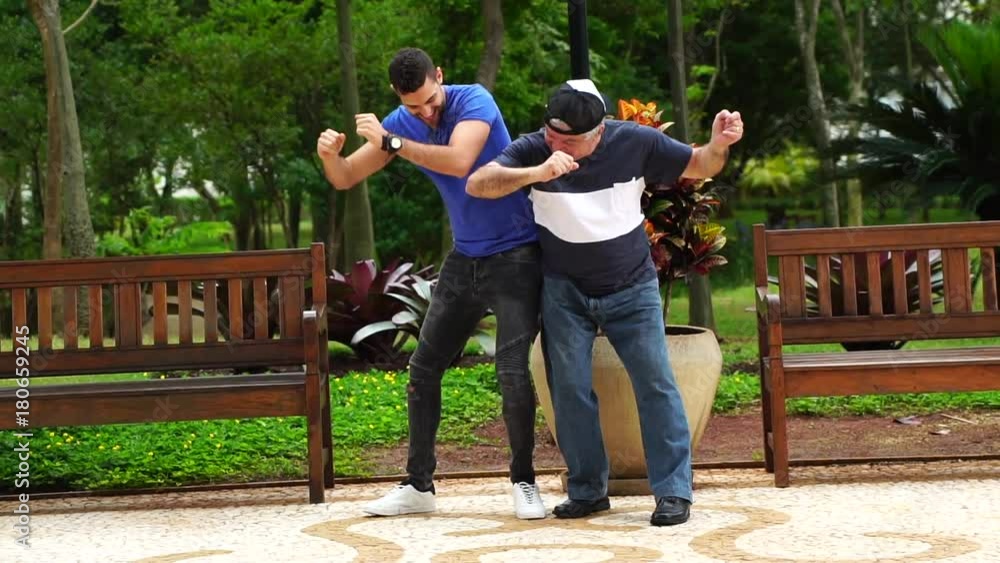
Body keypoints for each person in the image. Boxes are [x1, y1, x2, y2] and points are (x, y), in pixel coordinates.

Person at [465, 79, 743, 526]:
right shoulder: (534, 149)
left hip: (631, 287)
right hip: (564, 289)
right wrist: (538, 172)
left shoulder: (634, 141)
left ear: (600, 132)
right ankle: (588, 489)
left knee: (655, 383)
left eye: (570, 141)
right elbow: (479, 184)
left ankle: (673, 492)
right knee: (570, 389)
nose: (559, 146)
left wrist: (719, 142)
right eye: (552, 135)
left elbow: (699, 164)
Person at [316, 47, 546, 520]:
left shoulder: (474, 101)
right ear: (398, 96)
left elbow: (461, 162)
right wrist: (329, 156)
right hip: (466, 257)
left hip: (517, 254)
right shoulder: (400, 121)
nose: (424, 112)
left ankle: (524, 482)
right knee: (423, 370)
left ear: (440, 76)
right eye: (413, 106)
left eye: (428, 100)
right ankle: (418, 485)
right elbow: (345, 178)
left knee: (510, 370)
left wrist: (393, 142)